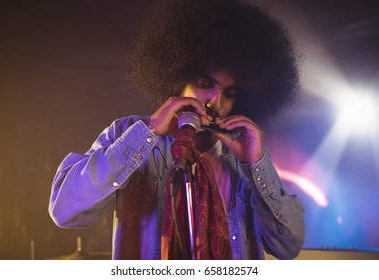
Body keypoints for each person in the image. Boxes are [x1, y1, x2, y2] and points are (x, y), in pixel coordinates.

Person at [49, 0, 305, 260]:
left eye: (230, 93)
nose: (215, 102)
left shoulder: (248, 155)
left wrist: (256, 165)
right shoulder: (127, 133)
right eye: (205, 83)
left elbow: (289, 247)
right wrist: (146, 132)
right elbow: (64, 211)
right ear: (177, 74)